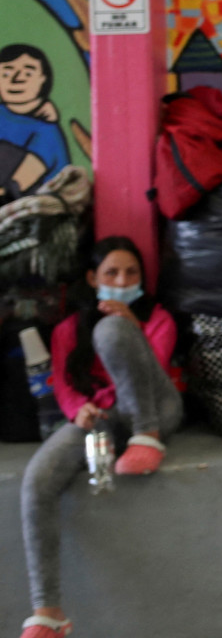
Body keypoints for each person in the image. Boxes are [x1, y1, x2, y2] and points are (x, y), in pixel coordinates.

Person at [18, 237, 182, 638]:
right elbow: (64, 384)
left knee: (111, 331)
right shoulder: (68, 330)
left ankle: (147, 439)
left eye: (132, 273)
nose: (122, 280)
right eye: (112, 272)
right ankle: (48, 611)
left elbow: (149, 373)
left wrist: (130, 328)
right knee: (38, 480)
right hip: (103, 421)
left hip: (154, 411)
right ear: (93, 278)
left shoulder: (158, 318)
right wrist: (80, 411)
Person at [0, 44, 69, 198]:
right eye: (6, 73)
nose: (16, 79)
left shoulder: (46, 129)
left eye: (27, 73)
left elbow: (16, 185)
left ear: (43, 79)